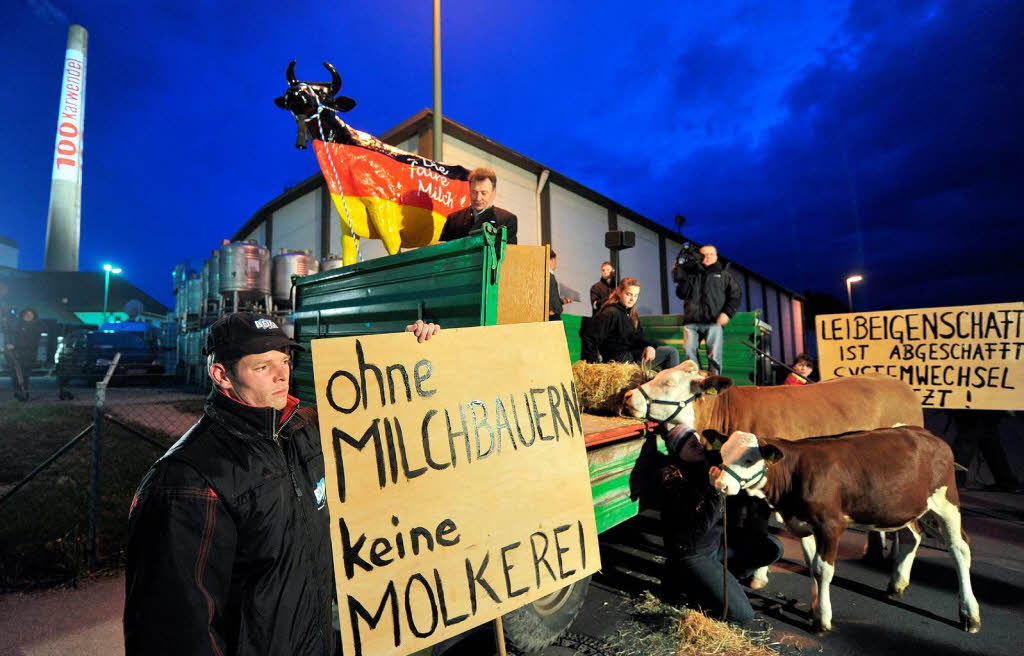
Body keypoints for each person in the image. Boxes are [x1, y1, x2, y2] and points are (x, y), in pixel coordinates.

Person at [123, 312, 440, 655]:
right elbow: (173, 632)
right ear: (221, 376)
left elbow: (379, 410)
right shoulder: (186, 481)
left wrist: (408, 351)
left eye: (285, 361)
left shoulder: (302, 431)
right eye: (262, 367)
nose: (281, 374)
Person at [659, 425, 782, 625]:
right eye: (691, 445)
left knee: (772, 548)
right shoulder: (672, 477)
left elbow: (739, 455)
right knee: (742, 616)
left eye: (698, 440)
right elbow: (699, 527)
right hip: (692, 553)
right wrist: (714, 490)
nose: (699, 445)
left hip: (716, 545)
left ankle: (721, 580)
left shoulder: (710, 462)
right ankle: (688, 585)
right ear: (678, 452)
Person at [581, 277, 680, 369]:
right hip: (619, 361)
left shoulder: (631, 313)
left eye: (636, 295)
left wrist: (649, 346)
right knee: (671, 353)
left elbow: (639, 337)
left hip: (631, 355)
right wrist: (593, 367)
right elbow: (590, 338)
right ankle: (670, 386)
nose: (632, 299)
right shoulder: (610, 312)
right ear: (619, 292)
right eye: (628, 294)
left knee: (668, 351)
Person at [674, 244, 742, 375]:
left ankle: (714, 386)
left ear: (716, 257)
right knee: (689, 353)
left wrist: (727, 313)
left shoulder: (724, 275)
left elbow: (736, 295)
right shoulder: (691, 274)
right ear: (699, 257)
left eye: (711, 254)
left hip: (714, 322)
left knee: (714, 356)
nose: (708, 257)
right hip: (691, 322)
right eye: (704, 254)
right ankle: (697, 383)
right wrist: (681, 272)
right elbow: (681, 294)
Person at [439, 167, 518, 244]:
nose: (478, 198)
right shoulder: (453, 220)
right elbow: (441, 251)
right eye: (474, 192)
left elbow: (510, 254)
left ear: (494, 193)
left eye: (483, 193)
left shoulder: (507, 220)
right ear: (469, 190)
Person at [5, 308, 42, 401]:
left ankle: (24, 393)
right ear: (23, 315)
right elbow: (12, 335)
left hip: (27, 355)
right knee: (15, 374)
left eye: (31, 314)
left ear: (34, 316)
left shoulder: (36, 327)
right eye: (26, 314)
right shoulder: (18, 325)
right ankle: (18, 392)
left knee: (23, 375)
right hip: (16, 354)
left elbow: (32, 343)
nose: (28, 316)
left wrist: (15, 345)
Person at [548, 249, 572, 321]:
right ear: (552, 260)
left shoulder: (547, 276)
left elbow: (552, 298)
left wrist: (564, 301)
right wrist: (555, 309)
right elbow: (553, 299)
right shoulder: (550, 277)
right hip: (552, 316)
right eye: (555, 260)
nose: (556, 263)